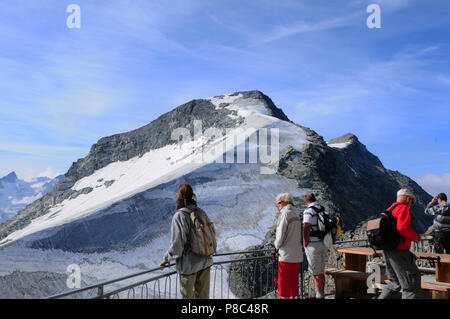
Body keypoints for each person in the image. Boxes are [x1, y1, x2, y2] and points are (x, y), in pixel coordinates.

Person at [160, 183, 213, 299]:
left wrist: (167, 258)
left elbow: (177, 244)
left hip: (189, 265)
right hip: (205, 261)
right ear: (192, 195)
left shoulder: (179, 216)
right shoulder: (200, 212)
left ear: (178, 196)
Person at [378, 189, 422, 299]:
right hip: (399, 251)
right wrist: (416, 237)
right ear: (408, 199)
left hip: (387, 250)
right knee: (411, 284)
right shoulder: (403, 208)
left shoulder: (390, 209)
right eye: (412, 202)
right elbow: (402, 228)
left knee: (394, 283)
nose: (411, 204)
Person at [274, 193, 303, 299]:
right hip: (296, 253)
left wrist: (276, 245)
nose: (278, 205)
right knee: (293, 280)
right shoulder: (296, 213)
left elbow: (280, 234)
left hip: (286, 254)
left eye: (279, 203)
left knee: (284, 281)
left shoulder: (285, 214)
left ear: (285, 202)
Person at [302, 192, 328, 299]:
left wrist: (305, 242)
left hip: (313, 244)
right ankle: (321, 294)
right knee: (321, 272)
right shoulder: (323, 209)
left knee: (316, 273)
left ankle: (319, 296)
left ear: (305, 202)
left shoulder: (308, 211)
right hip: (324, 242)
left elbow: (306, 226)